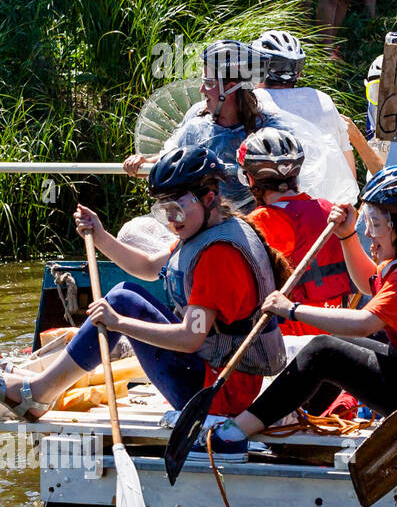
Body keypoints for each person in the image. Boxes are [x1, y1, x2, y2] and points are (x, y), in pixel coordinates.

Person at [1, 147, 288, 465]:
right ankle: (41, 391)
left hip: (215, 394)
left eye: (177, 207)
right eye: (165, 208)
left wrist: (118, 323)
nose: (171, 219)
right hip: (221, 374)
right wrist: (100, 235)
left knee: (122, 303)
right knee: (124, 294)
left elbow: (189, 338)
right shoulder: (213, 227)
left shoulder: (217, 255)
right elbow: (150, 267)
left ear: (208, 198)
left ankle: (37, 394)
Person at [206, 165, 397, 449]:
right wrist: (346, 236)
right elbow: (370, 284)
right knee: (337, 343)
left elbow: (362, 323)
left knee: (324, 351)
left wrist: (291, 309)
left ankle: (231, 435)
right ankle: (288, 416)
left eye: (376, 224)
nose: (369, 233)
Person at [125, 40, 288, 212]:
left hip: (256, 223)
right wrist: (145, 163)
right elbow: (174, 158)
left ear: (231, 88)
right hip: (206, 221)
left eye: (209, 83)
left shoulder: (269, 130)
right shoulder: (197, 125)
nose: (202, 89)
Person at [238, 129, 351, 336]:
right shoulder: (328, 208)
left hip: (293, 331)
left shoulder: (261, 221)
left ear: (251, 180)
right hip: (337, 323)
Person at [250, 29, 359, 205]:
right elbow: (347, 170)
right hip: (329, 209)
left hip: (279, 210)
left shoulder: (253, 102)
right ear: (298, 73)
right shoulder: (322, 99)